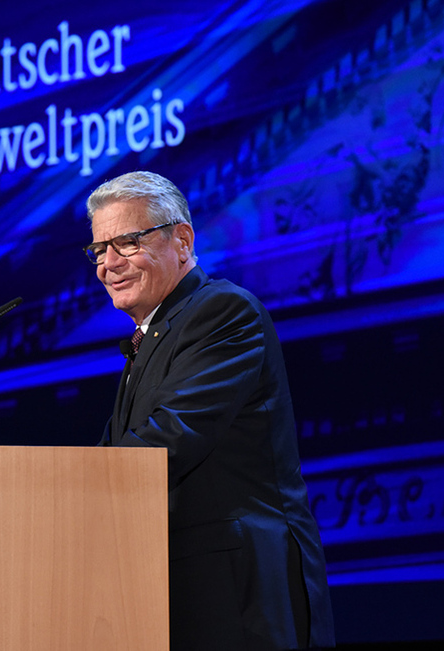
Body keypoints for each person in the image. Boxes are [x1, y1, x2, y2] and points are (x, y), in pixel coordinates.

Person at [85, 171, 334, 650]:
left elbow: (170, 439)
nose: (107, 264)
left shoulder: (221, 311)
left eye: (127, 242)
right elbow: (113, 453)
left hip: (239, 596)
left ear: (182, 240)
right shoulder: (152, 335)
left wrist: (73, 487)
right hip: (185, 591)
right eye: (99, 250)